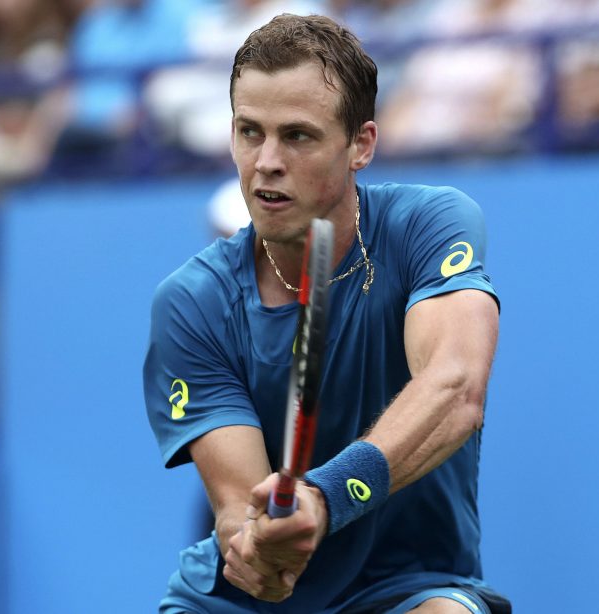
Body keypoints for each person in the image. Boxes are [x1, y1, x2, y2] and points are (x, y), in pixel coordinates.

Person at [143, 13, 510, 613]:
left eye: (298, 136)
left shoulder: (428, 224)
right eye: (248, 132)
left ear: (361, 145)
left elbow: (455, 387)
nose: (266, 161)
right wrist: (258, 548)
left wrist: (326, 495)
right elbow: (237, 503)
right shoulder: (192, 301)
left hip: (407, 585)